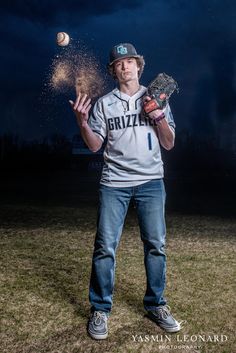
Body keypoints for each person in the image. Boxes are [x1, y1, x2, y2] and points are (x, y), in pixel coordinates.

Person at [70, 43, 182, 340]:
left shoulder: (156, 97)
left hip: (151, 182)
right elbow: (95, 145)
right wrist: (82, 122)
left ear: (138, 66)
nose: (124, 66)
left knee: (156, 245)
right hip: (114, 184)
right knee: (105, 247)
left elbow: (169, 143)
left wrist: (157, 114)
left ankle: (156, 304)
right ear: (113, 70)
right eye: (119, 63)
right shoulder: (105, 103)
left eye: (129, 61)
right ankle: (100, 308)